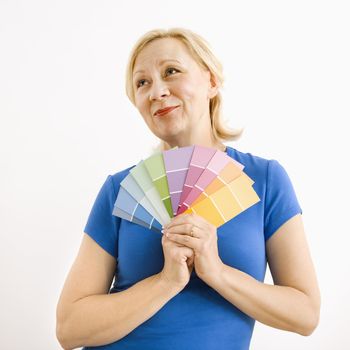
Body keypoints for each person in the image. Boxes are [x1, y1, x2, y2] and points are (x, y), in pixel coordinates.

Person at [56, 27, 321, 350]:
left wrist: (217, 272)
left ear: (211, 82)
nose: (157, 92)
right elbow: (69, 328)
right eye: (142, 83)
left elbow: (305, 314)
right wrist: (166, 281)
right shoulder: (120, 189)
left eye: (171, 71)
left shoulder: (265, 179)